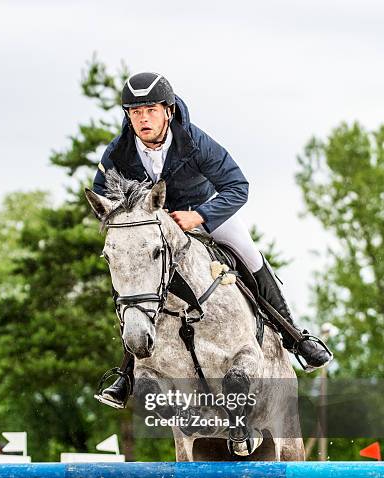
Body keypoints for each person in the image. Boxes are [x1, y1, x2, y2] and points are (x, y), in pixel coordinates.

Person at [92, 72, 332, 409]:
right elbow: (102, 199)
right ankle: (126, 374)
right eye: (134, 112)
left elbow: (238, 186)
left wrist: (199, 215)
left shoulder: (195, 142)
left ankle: (295, 337)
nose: (142, 119)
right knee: (135, 279)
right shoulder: (118, 152)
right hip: (153, 226)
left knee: (248, 253)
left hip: (202, 215)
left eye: (150, 110)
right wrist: (130, 227)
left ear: (168, 111)